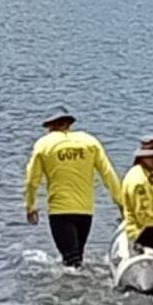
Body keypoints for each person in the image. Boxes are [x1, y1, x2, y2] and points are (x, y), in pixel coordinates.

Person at [23, 106, 123, 269]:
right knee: (77, 258)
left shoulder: (44, 145)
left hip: (60, 212)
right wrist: (121, 204)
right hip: (85, 211)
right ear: (69, 124)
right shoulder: (90, 142)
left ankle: (73, 290)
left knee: (71, 262)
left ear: (50, 126)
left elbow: (31, 180)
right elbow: (108, 174)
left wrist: (30, 206)